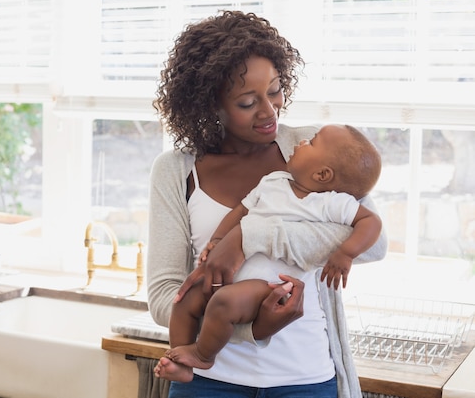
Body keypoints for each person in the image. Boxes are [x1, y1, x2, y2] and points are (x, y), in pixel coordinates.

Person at [146, 10, 387, 398]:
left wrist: (246, 237)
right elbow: (164, 299)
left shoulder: (314, 150)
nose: (269, 111)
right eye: (247, 101)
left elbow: (374, 243)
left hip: (306, 379)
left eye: (274, 90)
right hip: (209, 384)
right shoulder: (177, 172)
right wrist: (251, 328)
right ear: (211, 105)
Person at [155, 123, 383, 383]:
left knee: (224, 302)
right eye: (246, 101)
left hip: (271, 288)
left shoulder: (331, 204)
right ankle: (181, 364)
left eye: (311, 143)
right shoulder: (274, 182)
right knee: (184, 300)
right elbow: (241, 212)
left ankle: (203, 356)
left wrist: (346, 253)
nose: (301, 142)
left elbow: (372, 224)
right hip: (230, 289)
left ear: (322, 174)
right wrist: (218, 240)